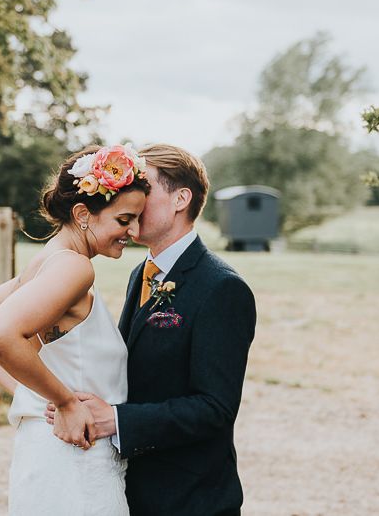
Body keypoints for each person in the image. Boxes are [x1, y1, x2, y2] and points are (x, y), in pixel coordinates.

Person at [47, 143, 256, 515]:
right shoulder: (138, 274)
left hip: (189, 498)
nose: (134, 199)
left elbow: (215, 407)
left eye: (146, 189)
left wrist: (116, 420)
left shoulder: (222, 287)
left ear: (181, 199)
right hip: (133, 488)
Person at [0, 144, 150, 515]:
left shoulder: (44, 264)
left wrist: (33, 395)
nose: (135, 231)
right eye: (124, 220)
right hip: (74, 460)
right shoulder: (74, 268)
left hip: (48, 454)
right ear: (83, 214)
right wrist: (61, 402)